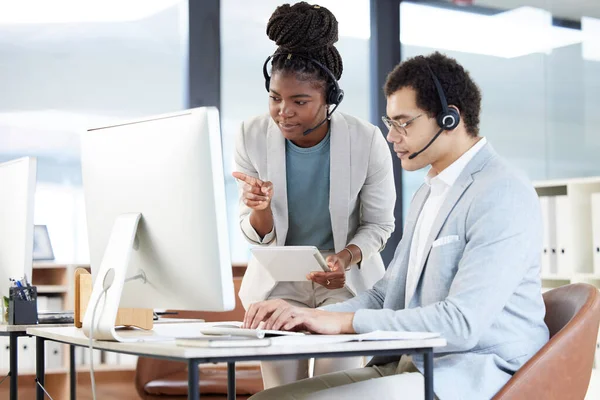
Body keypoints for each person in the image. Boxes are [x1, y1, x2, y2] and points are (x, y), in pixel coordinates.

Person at [243, 52, 550, 400]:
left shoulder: (501, 191)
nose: (392, 137)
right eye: (390, 123)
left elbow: (462, 323)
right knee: (268, 398)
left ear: (450, 119)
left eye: (404, 123)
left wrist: (344, 322)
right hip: (415, 366)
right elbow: (383, 295)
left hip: (473, 373)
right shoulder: (429, 192)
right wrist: (305, 315)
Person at [232, 2, 396, 390]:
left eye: (300, 101)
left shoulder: (366, 139)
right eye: (275, 98)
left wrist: (345, 257)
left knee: (333, 390)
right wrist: (261, 209)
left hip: (342, 282)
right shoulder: (250, 135)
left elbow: (379, 224)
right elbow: (256, 233)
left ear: (329, 99)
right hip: (277, 282)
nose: (283, 112)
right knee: (279, 393)